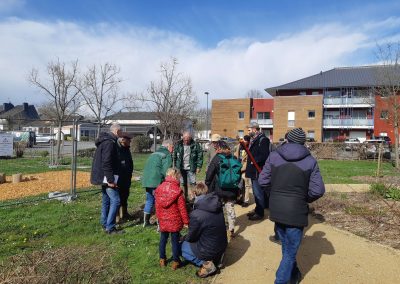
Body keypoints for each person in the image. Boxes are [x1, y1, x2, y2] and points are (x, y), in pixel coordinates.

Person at [258, 128, 325, 284]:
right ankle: (281, 281)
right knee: (289, 251)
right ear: (303, 142)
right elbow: (318, 190)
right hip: (296, 211)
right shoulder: (310, 161)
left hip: (277, 209)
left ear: (288, 139)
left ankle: (294, 275)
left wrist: (273, 195)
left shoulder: (274, 156)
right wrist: (304, 198)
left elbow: (263, 181)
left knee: (288, 248)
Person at [181, 183, 228, 278]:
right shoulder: (217, 206)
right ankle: (217, 259)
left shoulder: (196, 214)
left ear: (194, 193)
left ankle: (206, 264)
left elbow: (192, 236)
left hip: (209, 249)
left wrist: (184, 238)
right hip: (222, 245)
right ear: (207, 192)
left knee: (181, 247)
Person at [90, 123, 122, 234]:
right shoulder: (109, 143)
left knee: (106, 200)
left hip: (103, 177)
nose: (121, 134)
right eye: (121, 132)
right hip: (107, 177)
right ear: (117, 131)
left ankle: (104, 223)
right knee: (116, 201)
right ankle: (110, 227)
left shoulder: (104, 141)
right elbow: (106, 162)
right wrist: (110, 180)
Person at [155, 168, 189, 270]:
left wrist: (159, 217)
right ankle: (175, 261)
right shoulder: (177, 190)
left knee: (163, 239)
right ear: (176, 176)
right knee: (175, 241)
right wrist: (186, 221)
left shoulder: (159, 188)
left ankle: (162, 259)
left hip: (163, 219)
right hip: (174, 220)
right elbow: (182, 208)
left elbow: (157, 206)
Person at [205, 141, 240, 238]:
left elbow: (209, 174)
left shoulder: (217, 158)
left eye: (216, 148)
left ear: (219, 149)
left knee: (218, 208)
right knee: (230, 208)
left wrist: (207, 184)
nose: (215, 150)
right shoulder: (233, 158)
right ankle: (232, 228)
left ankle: (220, 228)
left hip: (219, 189)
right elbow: (238, 174)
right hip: (231, 189)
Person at [141, 139, 174, 227]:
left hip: (147, 180)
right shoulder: (167, 155)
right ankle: (160, 225)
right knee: (159, 202)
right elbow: (166, 171)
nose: (173, 149)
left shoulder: (154, 153)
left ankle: (146, 222)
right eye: (172, 147)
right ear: (168, 146)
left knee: (149, 200)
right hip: (157, 181)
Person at [245, 122, 270, 221]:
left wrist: (254, 161)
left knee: (258, 192)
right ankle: (257, 209)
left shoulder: (263, 140)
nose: (248, 131)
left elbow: (264, 155)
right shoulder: (254, 139)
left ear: (255, 129)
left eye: (249, 130)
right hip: (253, 170)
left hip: (257, 171)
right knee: (257, 192)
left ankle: (260, 213)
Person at [173, 131, 203, 201]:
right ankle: (184, 198)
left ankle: (194, 198)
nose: (186, 141)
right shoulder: (178, 144)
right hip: (181, 167)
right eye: (185, 139)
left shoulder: (195, 144)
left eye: (187, 139)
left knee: (193, 183)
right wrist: (174, 166)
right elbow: (174, 156)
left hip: (191, 167)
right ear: (182, 138)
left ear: (190, 138)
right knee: (183, 183)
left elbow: (200, 155)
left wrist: (199, 166)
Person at [116, 133, 134, 222]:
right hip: (118, 178)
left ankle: (125, 213)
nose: (130, 141)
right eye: (129, 140)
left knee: (125, 196)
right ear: (123, 140)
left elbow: (130, 162)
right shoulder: (116, 148)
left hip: (126, 178)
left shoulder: (127, 149)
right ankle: (117, 216)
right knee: (118, 197)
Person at [234, 135, 251, 208]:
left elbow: (248, 161)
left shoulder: (249, 148)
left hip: (245, 169)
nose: (243, 141)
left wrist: (241, 169)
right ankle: (240, 198)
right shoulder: (239, 146)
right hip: (238, 168)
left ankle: (246, 201)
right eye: (243, 140)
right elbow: (236, 155)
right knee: (239, 185)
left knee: (246, 185)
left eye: (245, 140)